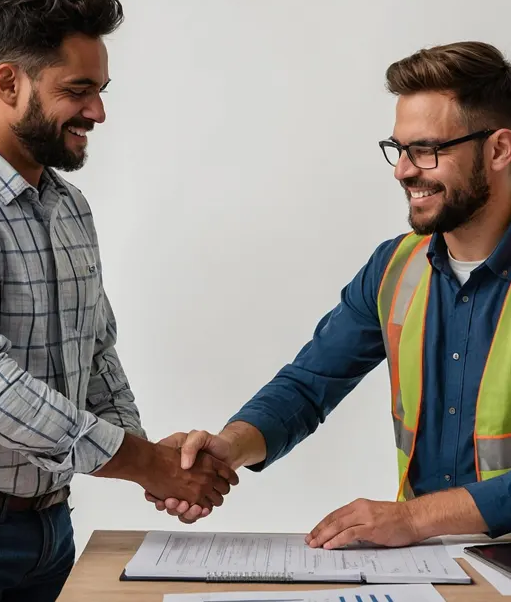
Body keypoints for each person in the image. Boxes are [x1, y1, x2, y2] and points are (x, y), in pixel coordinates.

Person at [149, 41, 511, 548]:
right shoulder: (395, 268)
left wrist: (414, 519)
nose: (403, 171)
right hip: (438, 568)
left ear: (498, 149)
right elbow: (309, 385)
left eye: (426, 150)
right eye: (399, 149)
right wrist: (229, 446)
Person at [0, 0, 237, 601]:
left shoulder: (69, 207)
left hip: (51, 531)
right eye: (79, 90)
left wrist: (156, 464)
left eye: (100, 90)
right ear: (8, 83)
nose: (98, 111)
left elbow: (95, 347)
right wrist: (140, 461)